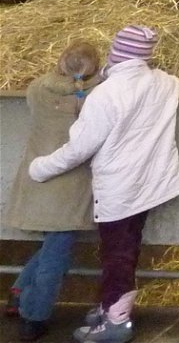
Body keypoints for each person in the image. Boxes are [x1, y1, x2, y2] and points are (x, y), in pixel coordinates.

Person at [28, 27, 179, 343]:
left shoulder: (106, 94)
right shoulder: (165, 83)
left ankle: (116, 320)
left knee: (116, 254)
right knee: (129, 247)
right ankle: (109, 304)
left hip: (120, 187)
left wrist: (40, 168)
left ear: (117, 53)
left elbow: (79, 149)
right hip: (150, 184)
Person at [5, 42, 102, 342]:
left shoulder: (36, 89)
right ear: (94, 69)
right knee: (56, 257)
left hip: (38, 179)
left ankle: (20, 290)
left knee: (52, 245)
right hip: (71, 187)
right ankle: (34, 316)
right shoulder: (97, 97)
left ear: (60, 62)